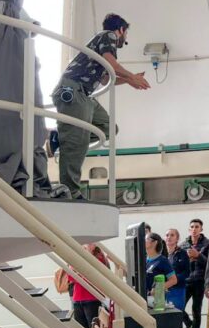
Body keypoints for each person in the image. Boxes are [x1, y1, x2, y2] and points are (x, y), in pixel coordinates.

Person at [51, 13, 150, 199]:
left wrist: (128, 80)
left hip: (84, 94)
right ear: (121, 29)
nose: (124, 39)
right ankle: (70, 191)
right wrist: (132, 77)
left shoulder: (102, 46)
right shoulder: (108, 36)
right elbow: (112, 64)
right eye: (126, 34)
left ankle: (59, 138)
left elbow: (105, 77)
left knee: (108, 128)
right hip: (73, 91)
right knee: (76, 142)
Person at [63, 243, 109, 328]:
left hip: (91, 298)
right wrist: (79, 273)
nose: (85, 245)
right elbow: (71, 278)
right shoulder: (78, 257)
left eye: (89, 244)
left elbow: (92, 276)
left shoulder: (99, 257)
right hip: (78, 298)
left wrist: (79, 273)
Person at [182, 218, 209, 328]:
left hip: (199, 281)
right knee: (178, 308)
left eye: (197, 227)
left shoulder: (208, 244)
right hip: (186, 281)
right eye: (192, 227)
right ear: (189, 229)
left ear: (201, 229)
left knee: (196, 311)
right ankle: (189, 325)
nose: (194, 229)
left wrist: (198, 255)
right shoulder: (183, 245)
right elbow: (180, 263)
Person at [164, 228, 188, 317]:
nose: (169, 237)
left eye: (172, 235)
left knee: (175, 317)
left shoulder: (182, 253)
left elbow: (186, 273)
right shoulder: (162, 254)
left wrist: (173, 280)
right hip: (163, 290)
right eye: (167, 235)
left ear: (177, 238)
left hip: (177, 290)